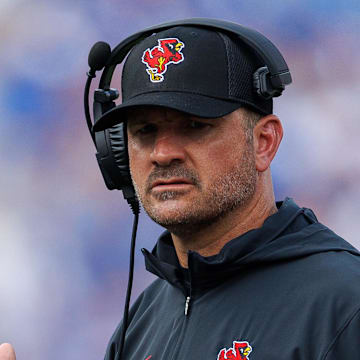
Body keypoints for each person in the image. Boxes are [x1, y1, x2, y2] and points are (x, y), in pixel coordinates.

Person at [2, 21, 360, 360]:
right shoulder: (142, 322)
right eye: (144, 131)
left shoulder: (344, 301)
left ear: (263, 142)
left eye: (194, 125)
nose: (162, 153)